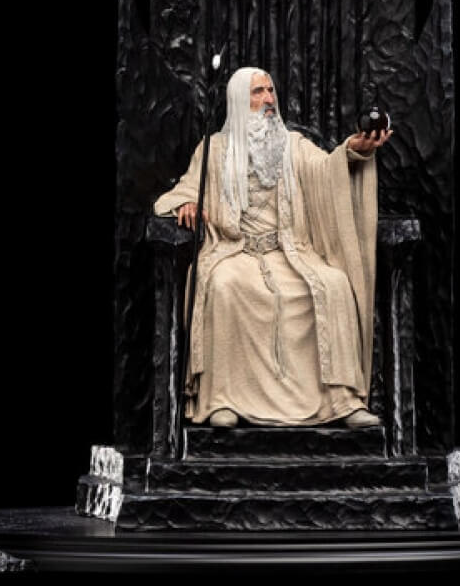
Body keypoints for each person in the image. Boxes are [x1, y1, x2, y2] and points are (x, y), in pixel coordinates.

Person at [154, 67, 392, 429]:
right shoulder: (214, 149)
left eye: (270, 90)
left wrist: (352, 150)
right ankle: (222, 399)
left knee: (333, 285)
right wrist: (187, 204)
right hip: (235, 252)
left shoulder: (293, 145)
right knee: (221, 286)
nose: (268, 99)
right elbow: (188, 188)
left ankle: (341, 400)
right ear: (239, 100)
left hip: (290, 252)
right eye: (258, 92)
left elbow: (325, 169)